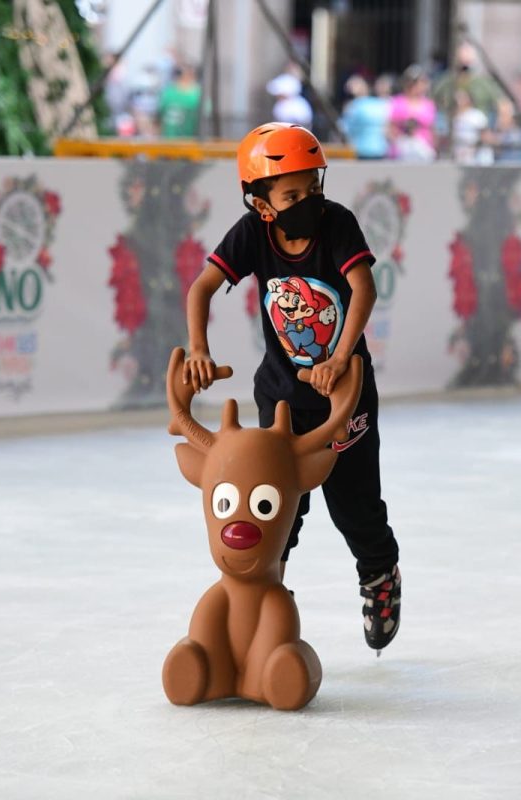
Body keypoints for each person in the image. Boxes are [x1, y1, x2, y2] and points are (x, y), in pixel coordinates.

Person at [182, 123, 402, 652]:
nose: (308, 201)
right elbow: (202, 288)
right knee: (279, 504)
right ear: (262, 205)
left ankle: (379, 574)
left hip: (344, 397)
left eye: (313, 187)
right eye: (292, 195)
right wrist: (198, 348)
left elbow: (363, 288)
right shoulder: (252, 234)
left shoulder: (337, 223)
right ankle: (263, 594)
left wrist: (341, 357)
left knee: (353, 504)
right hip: (282, 398)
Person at [388, 64, 437, 161]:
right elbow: (391, 127)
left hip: (424, 151)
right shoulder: (397, 102)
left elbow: (432, 128)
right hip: (401, 151)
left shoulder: (428, 104)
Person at [341, 74, 389, 159]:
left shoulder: (353, 106)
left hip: (361, 150)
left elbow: (344, 128)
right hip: (380, 149)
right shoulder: (380, 103)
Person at [158, 64, 201, 138]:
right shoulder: (168, 92)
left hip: (189, 140)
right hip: (170, 140)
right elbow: (159, 117)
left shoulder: (198, 93)